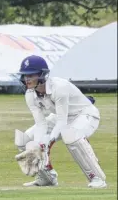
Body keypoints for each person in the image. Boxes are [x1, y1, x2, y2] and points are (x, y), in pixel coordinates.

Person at [14, 55, 107, 188]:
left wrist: (49, 140)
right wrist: (39, 144)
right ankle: (47, 178)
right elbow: (41, 124)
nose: (26, 79)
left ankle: (97, 178)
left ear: (41, 75)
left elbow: (62, 122)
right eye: (25, 75)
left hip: (85, 114)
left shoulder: (59, 87)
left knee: (70, 135)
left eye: (31, 75)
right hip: (60, 117)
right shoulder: (30, 94)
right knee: (25, 140)